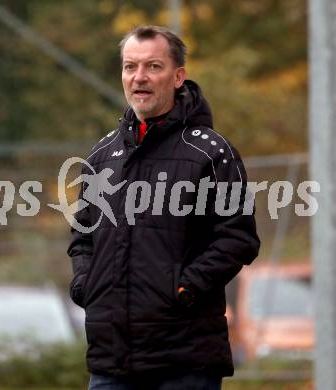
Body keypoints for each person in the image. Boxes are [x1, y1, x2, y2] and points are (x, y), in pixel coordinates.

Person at [67, 25, 260, 390]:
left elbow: (238, 238)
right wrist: (84, 284)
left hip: (184, 363)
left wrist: (183, 288)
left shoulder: (211, 152)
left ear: (178, 76)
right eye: (130, 67)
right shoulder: (101, 155)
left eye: (153, 66)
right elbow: (82, 235)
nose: (139, 77)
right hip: (110, 364)